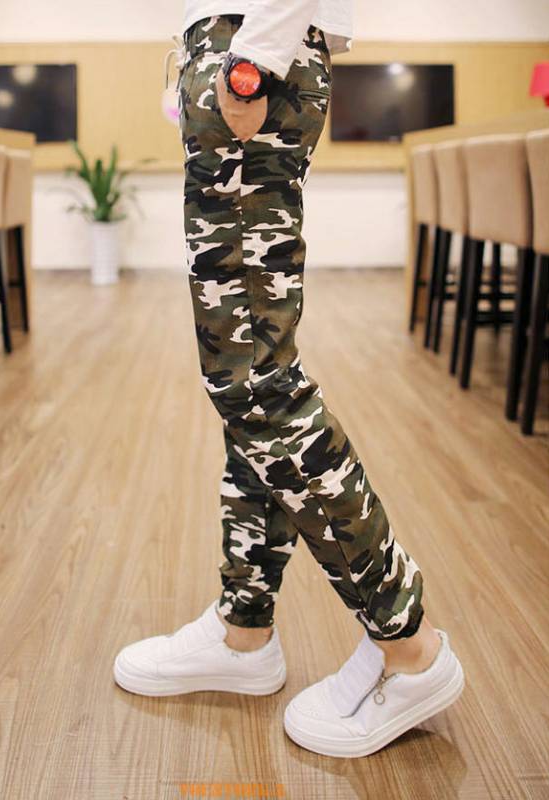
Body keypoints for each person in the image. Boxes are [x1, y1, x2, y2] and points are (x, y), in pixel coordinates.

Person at [114, 0, 464, 758]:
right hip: (243, 50)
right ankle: (244, 633)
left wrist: (253, 62)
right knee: (251, 388)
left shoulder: (256, 56)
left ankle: (408, 645)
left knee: (256, 387)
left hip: (251, 54)